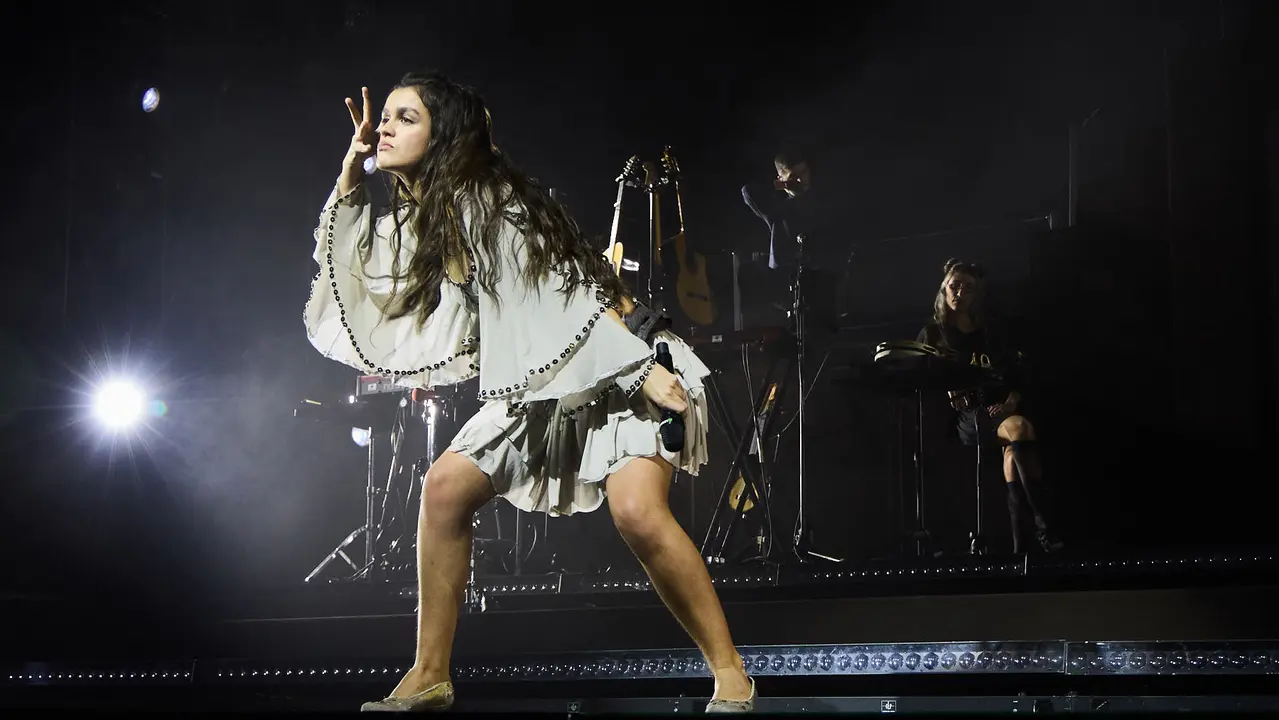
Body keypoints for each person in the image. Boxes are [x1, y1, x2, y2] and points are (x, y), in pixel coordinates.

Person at [303, 71, 756, 713]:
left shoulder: (485, 198)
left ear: (445, 136)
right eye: (388, 117)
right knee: (444, 489)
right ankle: (429, 673)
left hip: (615, 353)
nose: (385, 127)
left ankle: (729, 670)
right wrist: (352, 175)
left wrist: (636, 370)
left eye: (406, 118)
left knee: (636, 512)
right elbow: (373, 274)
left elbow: (565, 294)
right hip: (549, 372)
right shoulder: (436, 214)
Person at [916, 259, 1064, 555]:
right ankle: (1044, 526)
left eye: (967, 288)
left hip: (1000, 406)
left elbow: (1020, 370)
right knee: (1020, 430)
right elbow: (918, 375)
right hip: (966, 415)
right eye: (954, 286)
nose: (960, 293)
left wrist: (1012, 400)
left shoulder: (992, 332)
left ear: (977, 294)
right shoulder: (934, 334)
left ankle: (1021, 548)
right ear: (943, 291)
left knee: (1014, 451)